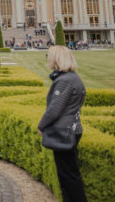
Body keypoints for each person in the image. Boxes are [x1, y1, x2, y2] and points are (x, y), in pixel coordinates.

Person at [38, 46, 87, 202]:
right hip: (71, 128)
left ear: (57, 59)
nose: (48, 59)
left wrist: (41, 126)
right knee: (68, 174)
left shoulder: (65, 80)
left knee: (68, 176)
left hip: (63, 131)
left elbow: (54, 110)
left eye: (49, 56)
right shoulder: (72, 77)